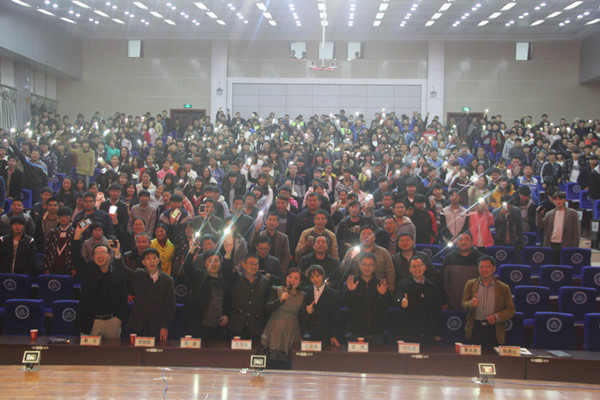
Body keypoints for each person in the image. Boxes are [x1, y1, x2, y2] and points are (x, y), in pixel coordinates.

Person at [71, 224, 129, 339]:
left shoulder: (117, 273)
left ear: (109, 256)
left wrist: (119, 318)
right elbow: (76, 258)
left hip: (112, 322)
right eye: (96, 253)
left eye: (103, 253)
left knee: (112, 350)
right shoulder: (87, 270)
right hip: (91, 322)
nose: (100, 256)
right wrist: (77, 236)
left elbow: (123, 297)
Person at [221, 239, 271, 341]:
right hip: (235, 325)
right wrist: (228, 254)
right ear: (243, 265)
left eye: (256, 264)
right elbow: (226, 271)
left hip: (256, 327)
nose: (253, 267)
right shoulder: (236, 277)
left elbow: (266, 303)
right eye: (251, 264)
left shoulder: (265, 281)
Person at [122, 247, 175, 342]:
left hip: (157, 326)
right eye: (148, 259)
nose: (152, 261)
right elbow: (123, 270)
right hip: (137, 324)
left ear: (159, 260)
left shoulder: (168, 280)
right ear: (143, 262)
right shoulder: (139, 274)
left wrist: (165, 326)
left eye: (154, 258)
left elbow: (170, 306)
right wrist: (117, 254)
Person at [462, 255, 515, 348]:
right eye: (481, 267)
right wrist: (470, 304)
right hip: (475, 328)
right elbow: (463, 304)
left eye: (487, 267)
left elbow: (510, 310)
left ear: (494, 268)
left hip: (494, 329)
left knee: (492, 356)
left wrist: (496, 317)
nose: (484, 269)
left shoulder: (504, 288)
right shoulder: (470, 284)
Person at [258, 267, 305, 369]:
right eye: (290, 277)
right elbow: (267, 308)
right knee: (270, 363)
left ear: (300, 282)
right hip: (274, 328)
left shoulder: (303, 296)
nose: (292, 280)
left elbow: (303, 317)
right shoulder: (276, 290)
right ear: (285, 278)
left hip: (292, 330)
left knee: (289, 364)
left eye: (296, 278)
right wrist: (280, 300)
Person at [342, 252, 393, 345]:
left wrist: (382, 295)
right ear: (359, 265)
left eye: (370, 265)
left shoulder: (381, 283)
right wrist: (350, 291)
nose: (367, 267)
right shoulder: (352, 282)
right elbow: (344, 303)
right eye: (364, 264)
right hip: (356, 332)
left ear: (375, 266)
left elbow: (388, 305)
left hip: (377, 332)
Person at [183, 243, 231, 340]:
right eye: (210, 261)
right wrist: (191, 251)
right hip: (199, 326)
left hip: (218, 327)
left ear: (220, 262)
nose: (213, 264)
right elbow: (187, 268)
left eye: (216, 261)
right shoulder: (199, 276)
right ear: (205, 263)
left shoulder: (223, 280)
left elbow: (229, 301)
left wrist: (227, 315)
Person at [396, 255, 443, 345]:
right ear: (410, 269)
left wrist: (438, 332)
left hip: (428, 330)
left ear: (424, 267)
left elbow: (437, 311)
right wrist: (401, 302)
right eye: (414, 266)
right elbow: (397, 299)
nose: (417, 269)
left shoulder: (432, 286)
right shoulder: (403, 284)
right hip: (409, 330)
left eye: (419, 266)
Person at [348, 225, 396, 294]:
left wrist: (389, 291)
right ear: (359, 237)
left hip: (379, 289)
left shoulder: (383, 252)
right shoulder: (352, 251)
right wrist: (348, 259)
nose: (366, 236)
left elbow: (390, 273)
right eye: (363, 234)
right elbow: (343, 271)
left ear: (374, 237)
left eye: (369, 234)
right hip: (356, 289)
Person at [301, 265, 340, 348]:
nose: (315, 279)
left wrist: (334, 335)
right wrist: (309, 312)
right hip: (310, 332)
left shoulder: (332, 293)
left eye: (317, 276)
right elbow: (302, 314)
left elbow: (335, 316)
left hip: (326, 333)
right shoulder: (306, 292)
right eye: (312, 277)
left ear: (323, 276)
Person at [441, 232, 481, 310]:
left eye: (466, 239)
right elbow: (443, 281)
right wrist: (444, 301)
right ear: (456, 242)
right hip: (452, 303)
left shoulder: (480, 258)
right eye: (460, 240)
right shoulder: (449, 258)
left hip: (474, 304)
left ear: (472, 241)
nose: (463, 242)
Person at [542, 191, 581, 263]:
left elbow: (576, 232)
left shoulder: (572, 213)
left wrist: (574, 247)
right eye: (555, 199)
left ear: (564, 200)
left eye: (560, 199)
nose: (558, 201)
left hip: (566, 245)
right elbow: (541, 225)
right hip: (552, 244)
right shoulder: (549, 213)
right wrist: (538, 215)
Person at [43, 207, 76, 275]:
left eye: (66, 217)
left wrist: (75, 268)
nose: (63, 219)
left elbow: (78, 253)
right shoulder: (52, 232)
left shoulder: (75, 233)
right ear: (58, 218)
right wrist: (46, 267)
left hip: (69, 268)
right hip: (53, 267)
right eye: (61, 217)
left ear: (70, 218)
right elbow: (47, 250)